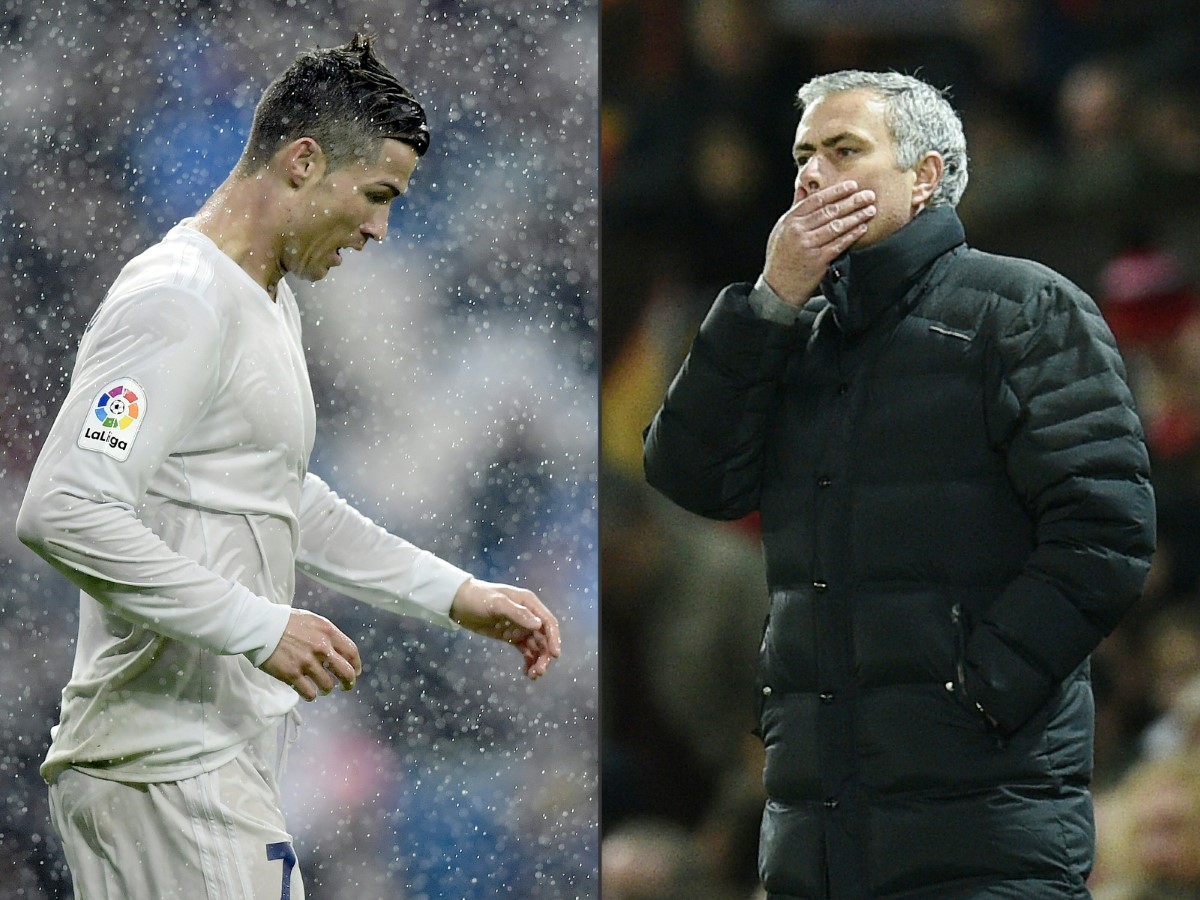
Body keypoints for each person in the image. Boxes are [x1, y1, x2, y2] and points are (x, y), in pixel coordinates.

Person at [15, 33, 560, 900]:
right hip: (168, 772)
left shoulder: (264, 300)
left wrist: (454, 594)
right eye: (376, 196)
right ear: (303, 162)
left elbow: (280, 496)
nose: (379, 230)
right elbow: (65, 508)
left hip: (201, 765)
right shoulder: (178, 300)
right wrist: (259, 625)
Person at [643, 69, 1155, 898]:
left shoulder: (1022, 308)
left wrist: (976, 694)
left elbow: (1106, 533)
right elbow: (689, 477)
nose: (812, 176)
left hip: (984, 823)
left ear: (924, 178)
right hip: (815, 828)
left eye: (844, 150)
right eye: (803, 156)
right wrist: (768, 301)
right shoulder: (791, 333)